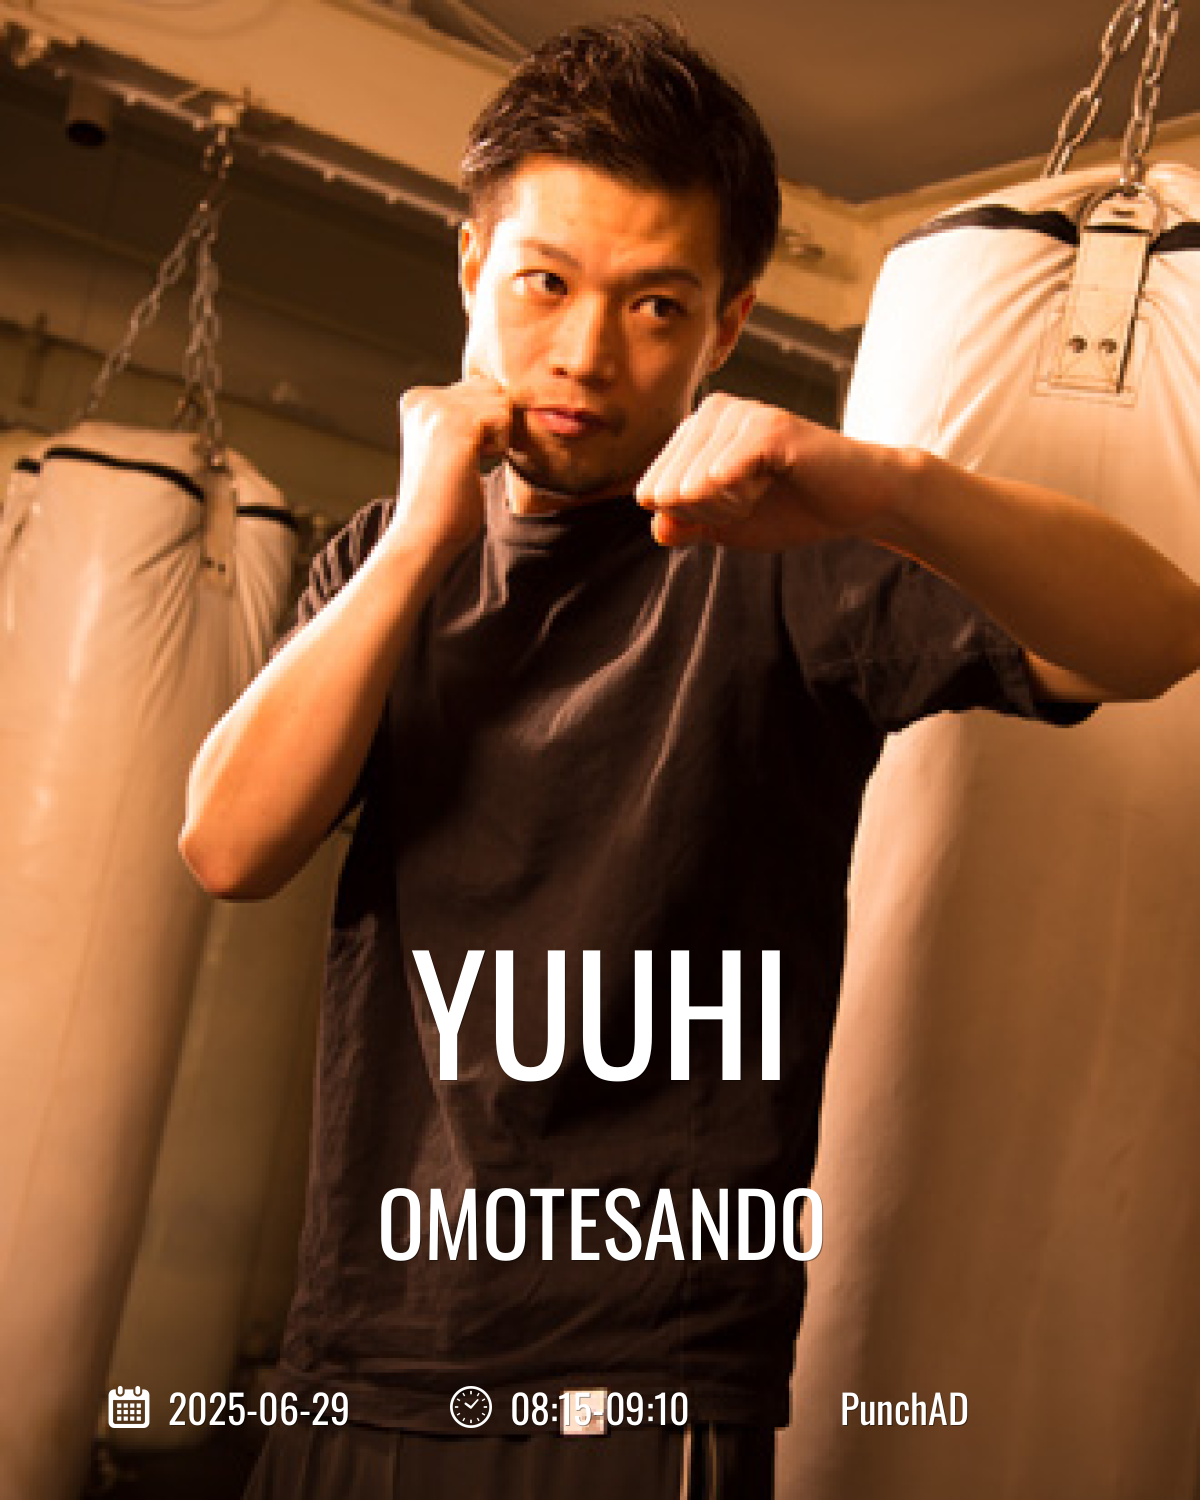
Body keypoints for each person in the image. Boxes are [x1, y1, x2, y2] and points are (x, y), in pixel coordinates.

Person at [180, 16, 1200, 1499]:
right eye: (544, 284)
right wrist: (415, 541)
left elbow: (1154, 638)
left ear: (727, 327)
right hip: (359, 1349)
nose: (586, 353)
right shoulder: (381, 560)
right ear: (471, 268)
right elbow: (229, 847)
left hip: (643, 1383)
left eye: (657, 305)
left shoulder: (783, 549)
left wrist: (883, 484)